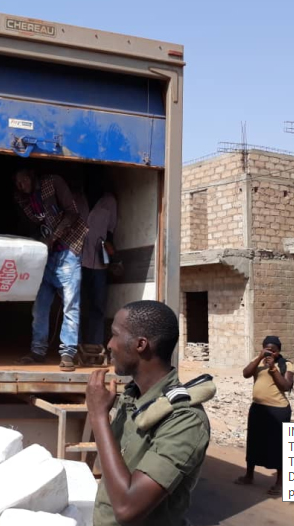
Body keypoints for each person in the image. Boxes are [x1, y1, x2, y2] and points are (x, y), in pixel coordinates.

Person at [87, 300, 213, 526]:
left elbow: (127, 508)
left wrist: (98, 417)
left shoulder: (185, 420)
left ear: (141, 344)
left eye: (115, 335)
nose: (109, 344)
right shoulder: (133, 397)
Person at [13, 169, 88, 371]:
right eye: (18, 183)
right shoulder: (24, 200)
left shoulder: (53, 182)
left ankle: (68, 354)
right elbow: (30, 227)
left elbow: (72, 212)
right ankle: (37, 351)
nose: (22, 185)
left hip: (67, 251)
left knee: (70, 305)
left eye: (24, 180)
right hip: (45, 256)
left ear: (32, 176)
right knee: (40, 307)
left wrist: (52, 238)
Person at [235, 335, 293, 496]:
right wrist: (259, 357)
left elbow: (286, 386)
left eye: (273, 351)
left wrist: (273, 368)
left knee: (279, 446)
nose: (270, 353)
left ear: (279, 351)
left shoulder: (286, 364)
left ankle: (280, 483)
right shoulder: (258, 360)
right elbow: (246, 373)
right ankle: (249, 475)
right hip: (258, 408)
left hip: (278, 410)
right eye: (267, 349)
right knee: (253, 442)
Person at [81, 192, 118, 349]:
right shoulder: (77, 197)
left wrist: (110, 248)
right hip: (79, 259)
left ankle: (94, 343)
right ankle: (77, 344)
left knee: (98, 304)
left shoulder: (109, 201)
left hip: (99, 263)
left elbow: (111, 229)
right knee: (78, 303)